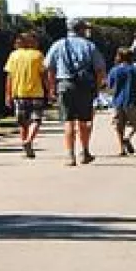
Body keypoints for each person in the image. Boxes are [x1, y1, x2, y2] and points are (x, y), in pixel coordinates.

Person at [44, 17, 106, 167]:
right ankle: (84, 151)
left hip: (65, 84)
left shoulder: (58, 44)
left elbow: (49, 67)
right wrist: (97, 88)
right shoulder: (90, 46)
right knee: (84, 121)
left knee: (68, 120)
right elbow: (100, 69)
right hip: (85, 86)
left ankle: (70, 155)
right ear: (81, 29)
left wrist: (52, 87)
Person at [3, 31, 50, 159]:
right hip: (36, 92)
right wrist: (49, 90)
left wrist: (7, 94)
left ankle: (25, 145)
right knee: (36, 120)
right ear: (32, 42)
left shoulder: (13, 55)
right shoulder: (38, 55)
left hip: (18, 93)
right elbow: (44, 75)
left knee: (22, 122)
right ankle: (29, 140)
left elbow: (9, 77)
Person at [105, 49, 136, 156]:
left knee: (119, 126)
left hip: (117, 101)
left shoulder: (114, 70)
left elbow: (110, 86)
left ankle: (121, 148)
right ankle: (128, 137)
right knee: (135, 125)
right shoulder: (135, 69)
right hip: (132, 100)